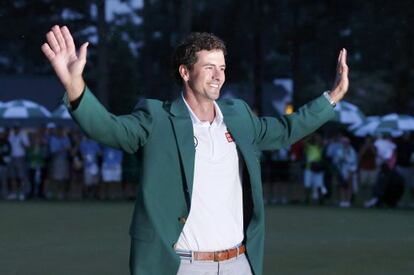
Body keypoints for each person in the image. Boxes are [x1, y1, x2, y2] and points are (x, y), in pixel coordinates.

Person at [42, 25, 348, 275]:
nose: (219, 75)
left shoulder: (239, 115)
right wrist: (75, 85)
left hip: (239, 263)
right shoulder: (157, 118)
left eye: (223, 67)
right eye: (210, 67)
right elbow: (109, 128)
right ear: (185, 72)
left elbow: (285, 130)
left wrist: (331, 97)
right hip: (183, 266)